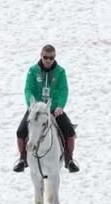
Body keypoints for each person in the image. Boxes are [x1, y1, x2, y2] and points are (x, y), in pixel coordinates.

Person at [13, 44, 79, 173]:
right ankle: (22, 159)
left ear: (54, 57)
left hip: (54, 110)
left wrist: (60, 106)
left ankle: (69, 159)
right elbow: (28, 89)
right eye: (45, 57)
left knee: (69, 131)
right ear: (41, 56)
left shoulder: (60, 72)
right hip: (36, 110)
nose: (48, 60)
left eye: (51, 57)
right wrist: (31, 104)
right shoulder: (33, 71)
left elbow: (63, 90)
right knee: (20, 131)